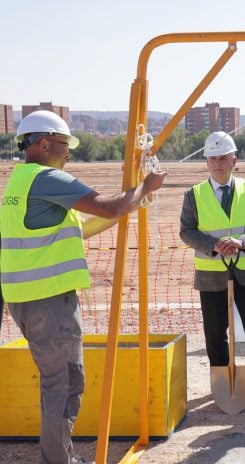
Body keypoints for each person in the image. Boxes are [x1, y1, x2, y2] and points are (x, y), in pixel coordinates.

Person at [0, 110, 166, 464]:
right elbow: (110, 206)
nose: (69, 153)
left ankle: (60, 457)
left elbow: (87, 225)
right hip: (48, 302)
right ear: (44, 144)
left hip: (27, 300)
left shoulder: (21, 181)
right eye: (65, 145)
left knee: (59, 382)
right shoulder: (47, 179)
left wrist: (130, 204)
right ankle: (58, 461)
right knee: (64, 385)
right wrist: (144, 189)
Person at [179, 131, 245, 402]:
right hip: (211, 274)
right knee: (215, 335)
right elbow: (186, 231)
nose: (217, 163)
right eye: (212, 158)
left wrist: (241, 241)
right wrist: (214, 245)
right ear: (206, 161)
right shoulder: (193, 195)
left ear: (234, 160)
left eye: (223, 158)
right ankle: (222, 385)